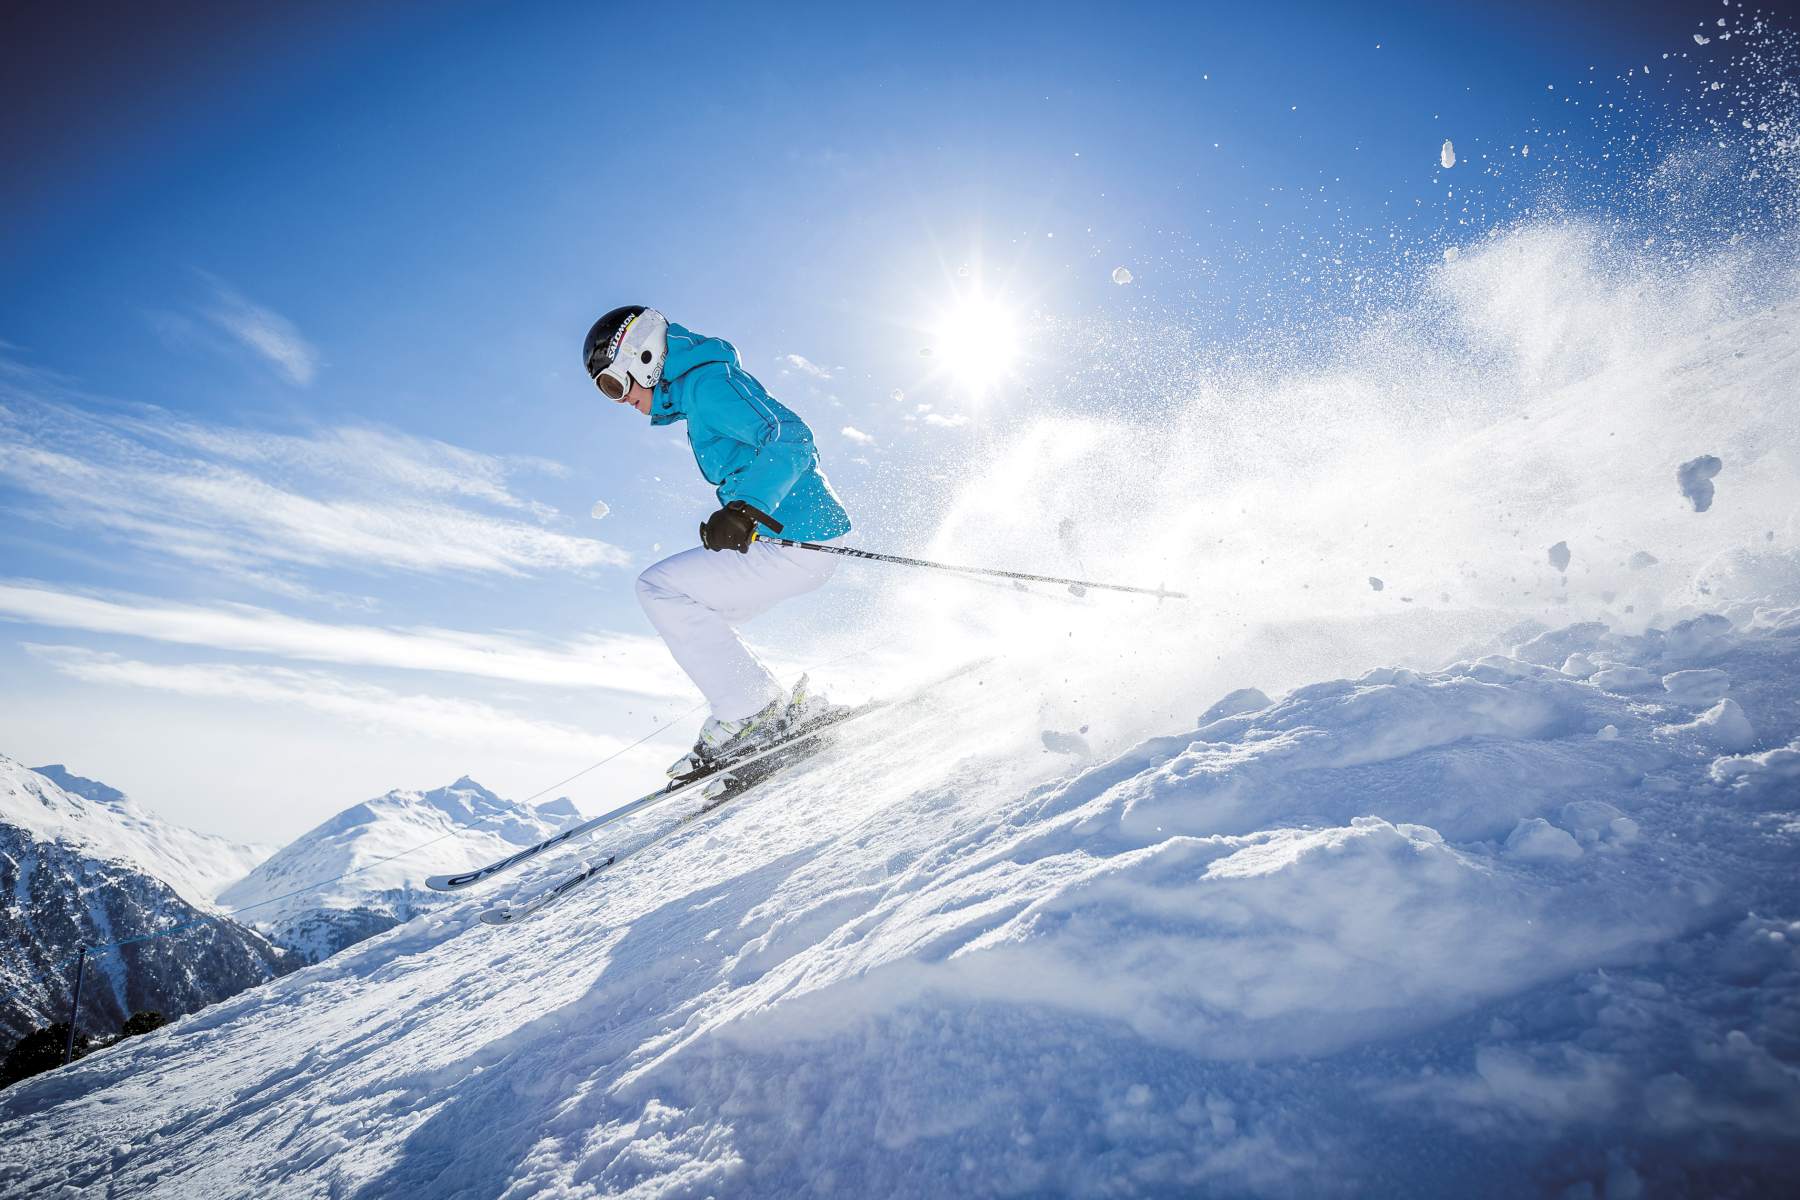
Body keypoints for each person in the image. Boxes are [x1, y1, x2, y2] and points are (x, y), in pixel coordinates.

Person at [582, 305, 853, 776]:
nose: (620, 399)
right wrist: (739, 515)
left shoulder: (709, 386)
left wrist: (744, 506)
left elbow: (792, 438)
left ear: (642, 356)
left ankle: (752, 712)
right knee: (694, 613)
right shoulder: (701, 390)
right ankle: (761, 709)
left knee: (660, 589)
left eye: (615, 384)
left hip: (798, 542)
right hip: (788, 540)